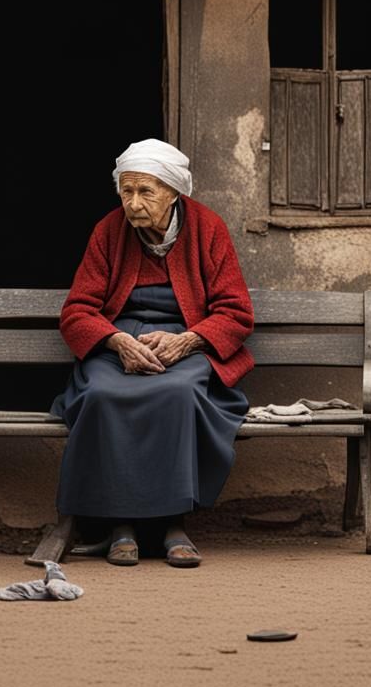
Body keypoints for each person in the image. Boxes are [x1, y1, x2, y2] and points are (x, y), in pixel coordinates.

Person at [51, 139, 254, 567]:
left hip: (187, 341)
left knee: (178, 394)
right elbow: (77, 311)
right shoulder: (108, 231)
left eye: (146, 192)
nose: (134, 203)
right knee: (105, 395)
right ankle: (120, 525)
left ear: (174, 192)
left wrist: (188, 340)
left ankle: (172, 523)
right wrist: (116, 340)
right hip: (117, 344)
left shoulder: (208, 228)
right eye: (127, 191)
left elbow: (236, 312)